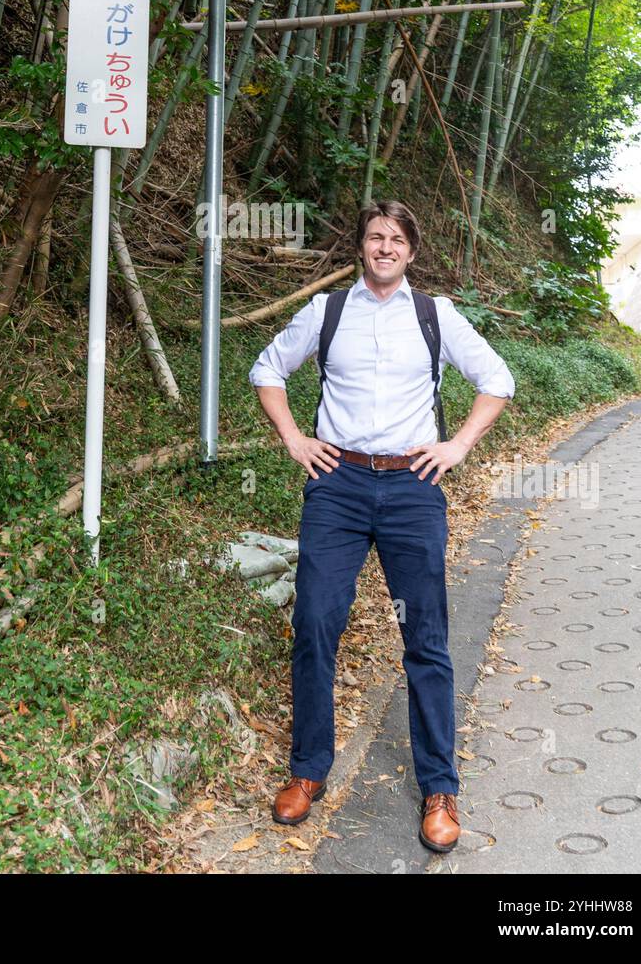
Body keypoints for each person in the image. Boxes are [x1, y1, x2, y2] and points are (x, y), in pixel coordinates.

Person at [248, 199, 515, 852]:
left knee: (425, 634)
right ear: (361, 248)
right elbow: (266, 369)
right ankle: (308, 771)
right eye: (375, 237)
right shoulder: (328, 312)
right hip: (336, 484)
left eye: (397, 238)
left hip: (411, 486)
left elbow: (497, 379)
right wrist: (294, 440)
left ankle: (440, 787)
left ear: (411, 250)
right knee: (314, 619)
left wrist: (457, 447)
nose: (385, 247)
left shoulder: (435, 316)